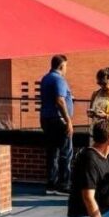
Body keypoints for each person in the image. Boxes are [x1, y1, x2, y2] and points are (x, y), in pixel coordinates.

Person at [40, 54, 74, 196]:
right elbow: (60, 100)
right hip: (58, 120)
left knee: (52, 152)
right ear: (61, 66)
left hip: (46, 119)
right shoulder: (59, 79)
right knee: (66, 152)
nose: (66, 68)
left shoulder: (45, 78)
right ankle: (63, 185)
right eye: (66, 66)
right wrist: (68, 121)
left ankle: (51, 184)